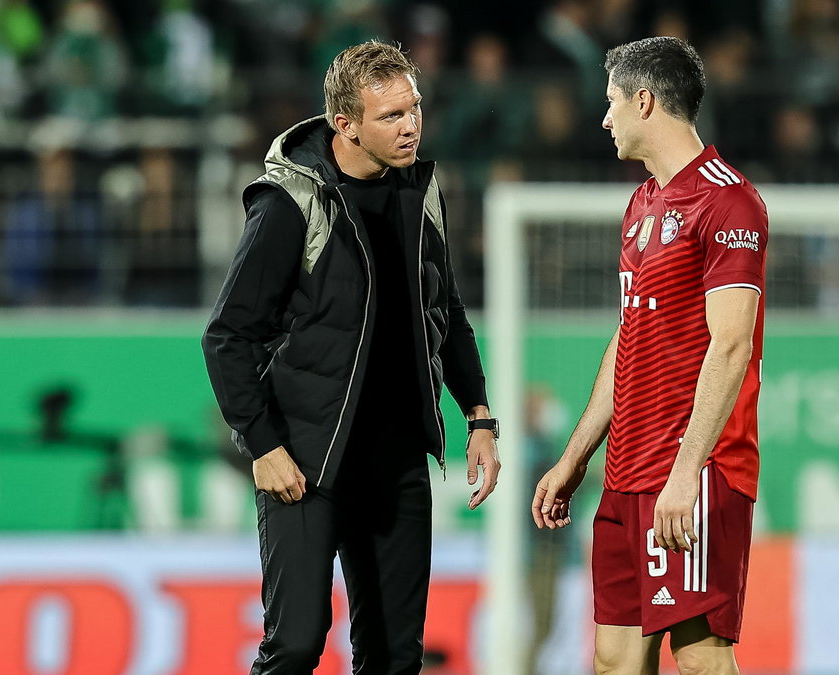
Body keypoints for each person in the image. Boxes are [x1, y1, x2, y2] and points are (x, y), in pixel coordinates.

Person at [202, 40, 501, 675]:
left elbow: (444, 311)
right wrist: (263, 445)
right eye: (391, 116)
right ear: (346, 125)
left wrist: (477, 414)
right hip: (308, 458)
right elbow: (227, 335)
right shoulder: (289, 204)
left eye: (413, 108)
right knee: (297, 645)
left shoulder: (421, 190)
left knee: (395, 657)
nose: (411, 124)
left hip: (395, 464)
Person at [532, 37, 768, 674]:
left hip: (691, 471)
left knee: (700, 660)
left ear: (644, 101)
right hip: (625, 471)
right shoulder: (640, 206)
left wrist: (686, 474)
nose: (604, 118)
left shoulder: (729, 202)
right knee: (613, 663)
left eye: (611, 102)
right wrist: (575, 456)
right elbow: (626, 339)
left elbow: (732, 346)